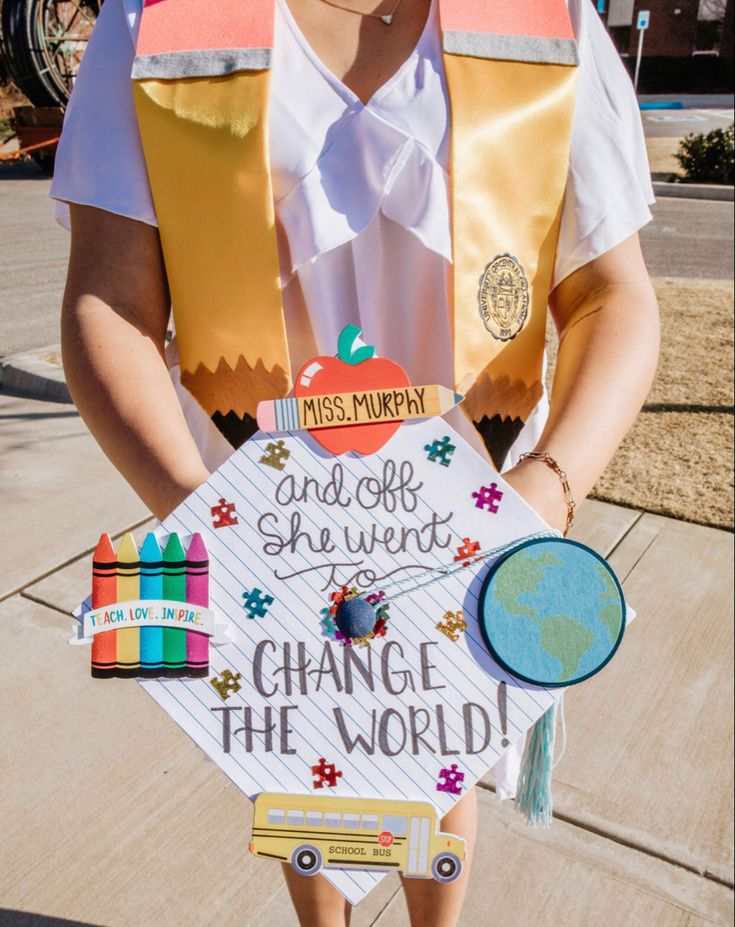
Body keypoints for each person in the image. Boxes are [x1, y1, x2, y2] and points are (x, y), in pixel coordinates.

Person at [50, 0, 660, 924]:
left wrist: (547, 490)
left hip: (476, 506)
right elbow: (109, 301)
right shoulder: (158, 19)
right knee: (306, 758)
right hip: (260, 499)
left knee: (441, 741)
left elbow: (610, 294)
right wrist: (211, 516)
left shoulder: (543, 17)